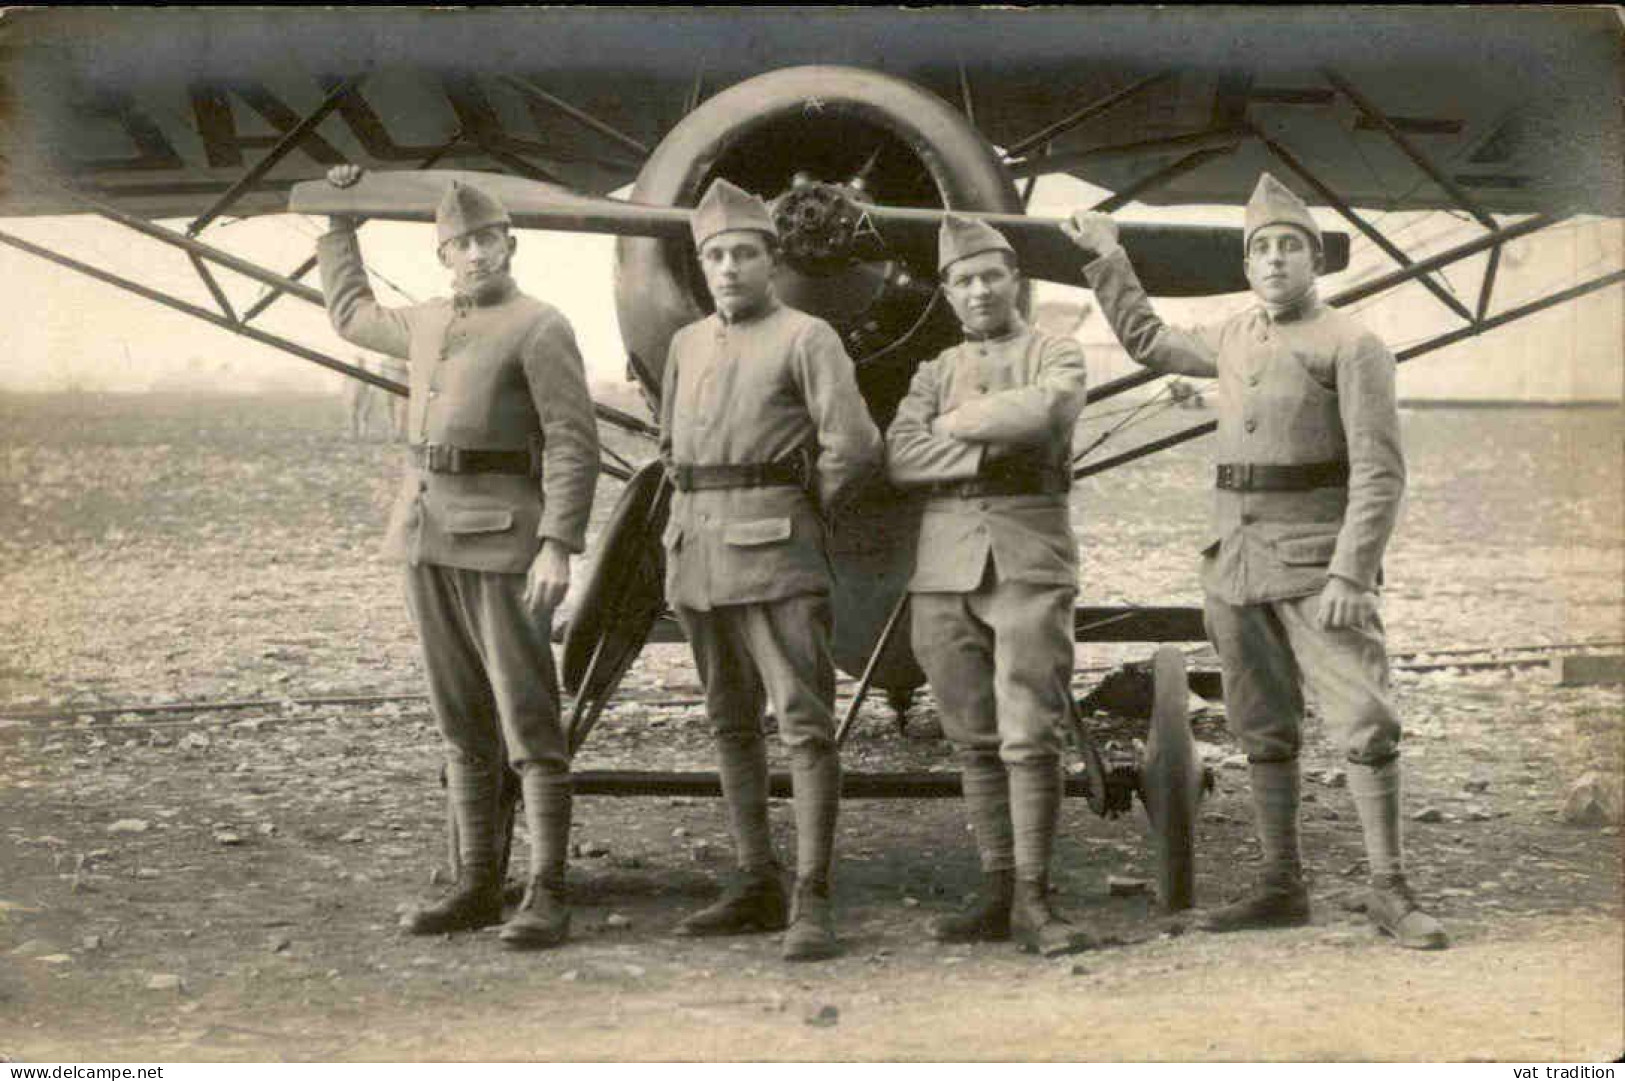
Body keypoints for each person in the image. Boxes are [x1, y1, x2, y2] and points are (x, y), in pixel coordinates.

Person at [1062, 174, 1448, 950]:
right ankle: (1280, 884)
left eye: (1289, 247)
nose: (1274, 261)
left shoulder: (1353, 345)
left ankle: (1389, 888)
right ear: (1247, 265)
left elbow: (1379, 472)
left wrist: (1349, 571)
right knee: (1261, 728)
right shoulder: (1235, 336)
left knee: (1364, 722)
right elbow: (1147, 340)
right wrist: (1108, 256)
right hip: (1233, 563)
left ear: (1313, 261)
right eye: (1261, 249)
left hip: (1315, 567)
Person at [316, 165, 600, 950]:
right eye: (460, 244)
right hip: (424, 535)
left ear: (511, 241)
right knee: (459, 719)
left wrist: (558, 545)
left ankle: (547, 890)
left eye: (487, 238)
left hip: (506, 541)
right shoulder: (427, 322)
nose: (476, 253)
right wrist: (339, 226)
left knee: (528, 720)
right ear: (444, 256)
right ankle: (478, 882)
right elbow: (348, 314)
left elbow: (574, 443)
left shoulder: (541, 326)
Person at [659, 178, 883, 962]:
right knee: (728, 723)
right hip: (696, 558)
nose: (728, 268)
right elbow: (670, 450)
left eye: (744, 253)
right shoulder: (686, 344)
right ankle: (754, 878)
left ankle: (810, 897)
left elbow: (852, 445)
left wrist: (799, 511)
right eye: (715, 255)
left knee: (804, 728)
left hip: (778, 557)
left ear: (772, 258)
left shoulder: (806, 336)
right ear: (701, 263)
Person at [884, 215, 1094, 957]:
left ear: (1015, 281)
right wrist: (983, 451)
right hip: (943, 564)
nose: (977, 289)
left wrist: (959, 421)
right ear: (947, 293)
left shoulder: (1055, 350)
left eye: (989, 275)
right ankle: (996, 886)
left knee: (1029, 730)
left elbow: (1050, 407)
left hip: (1026, 555)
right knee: (971, 737)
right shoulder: (931, 369)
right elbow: (901, 455)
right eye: (962, 280)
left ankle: (1037, 897)